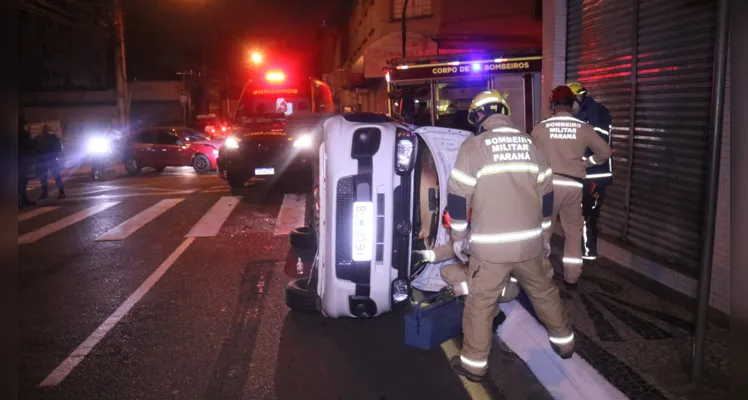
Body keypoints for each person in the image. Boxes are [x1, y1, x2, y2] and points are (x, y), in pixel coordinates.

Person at [446, 90, 575, 382]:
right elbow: (547, 196)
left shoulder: (473, 147)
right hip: (529, 245)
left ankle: (474, 365)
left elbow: (457, 197)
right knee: (544, 293)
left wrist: (458, 237)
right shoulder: (533, 145)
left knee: (480, 304)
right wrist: (544, 236)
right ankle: (565, 343)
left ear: (479, 116)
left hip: (490, 252)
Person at [530, 86, 612, 290]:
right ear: (572, 104)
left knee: (543, 231)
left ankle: (541, 276)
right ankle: (572, 278)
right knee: (574, 233)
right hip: (574, 186)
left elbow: (531, 156)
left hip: (548, 187)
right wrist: (587, 162)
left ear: (552, 105)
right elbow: (606, 152)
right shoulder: (583, 128)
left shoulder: (540, 128)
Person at [566, 82, 613, 264]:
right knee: (583, 214)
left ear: (579, 98)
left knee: (588, 214)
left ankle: (588, 255)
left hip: (594, 175)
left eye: (570, 103)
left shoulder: (596, 114)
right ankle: (584, 252)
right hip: (586, 174)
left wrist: (585, 163)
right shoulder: (584, 113)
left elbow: (601, 147)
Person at [34, 124, 66, 200]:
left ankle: (61, 192)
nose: (45, 131)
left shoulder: (52, 137)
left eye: (46, 129)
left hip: (50, 159)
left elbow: (59, 148)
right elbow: (35, 149)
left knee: (56, 176)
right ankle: (46, 193)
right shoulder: (40, 138)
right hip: (45, 159)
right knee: (45, 177)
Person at [18, 118, 36, 208]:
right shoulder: (23, 134)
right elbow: (30, 146)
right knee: (22, 180)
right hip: (22, 159)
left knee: (22, 180)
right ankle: (23, 199)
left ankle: (22, 200)